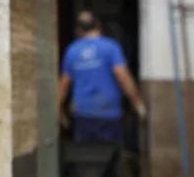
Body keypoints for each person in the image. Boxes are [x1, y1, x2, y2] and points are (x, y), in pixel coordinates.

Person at [58, 11, 146, 145]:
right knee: (110, 157)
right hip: (109, 114)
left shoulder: (72, 51)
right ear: (99, 27)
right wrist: (137, 102)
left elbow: (64, 83)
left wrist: (59, 109)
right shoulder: (111, 47)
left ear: (79, 30)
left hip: (83, 114)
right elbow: (123, 76)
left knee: (86, 157)